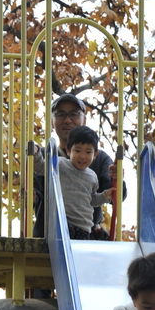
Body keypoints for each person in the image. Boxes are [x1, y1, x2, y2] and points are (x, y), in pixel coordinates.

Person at [33, 93, 121, 240]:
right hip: (52, 232)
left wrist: (116, 180)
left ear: (84, 119)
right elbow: (35, 191)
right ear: (52, 121)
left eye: (74, 114)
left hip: (85, 230)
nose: (67, 120)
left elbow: (115, 194)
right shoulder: (47, 155)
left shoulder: (99, 159)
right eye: (60, 115)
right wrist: (34, 155)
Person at [32, 126, 113, 240]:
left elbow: (92, 200)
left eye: (88, 152)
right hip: (63, 223)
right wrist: (36, 153)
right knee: (63, 249)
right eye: (77, 150)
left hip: (84, 227)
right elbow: (40, 168)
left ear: (95, 154)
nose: (82, 156)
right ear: (69, 150)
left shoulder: (93, 177)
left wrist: (104, 196)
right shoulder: (60, 165)